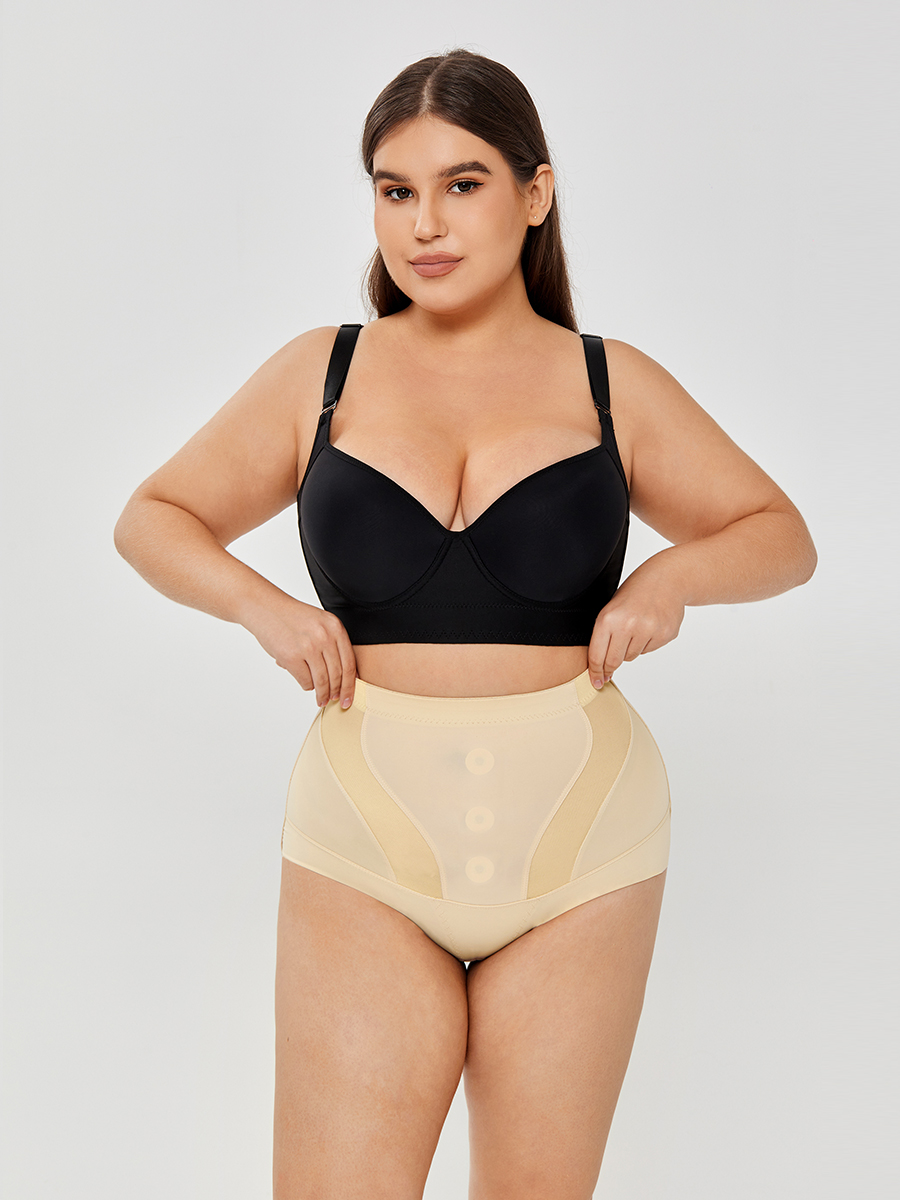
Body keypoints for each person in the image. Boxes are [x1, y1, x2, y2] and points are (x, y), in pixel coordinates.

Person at [114, 47, 816, 1200]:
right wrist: (263, 609)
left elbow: (780, 535)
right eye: (396, 190)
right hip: (365, 838)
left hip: (586, 838)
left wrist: (671, 579)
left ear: (535, 195)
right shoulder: (322, 374)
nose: (425, 224)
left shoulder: (609, 383)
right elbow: (154, 517)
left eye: (463, 184)